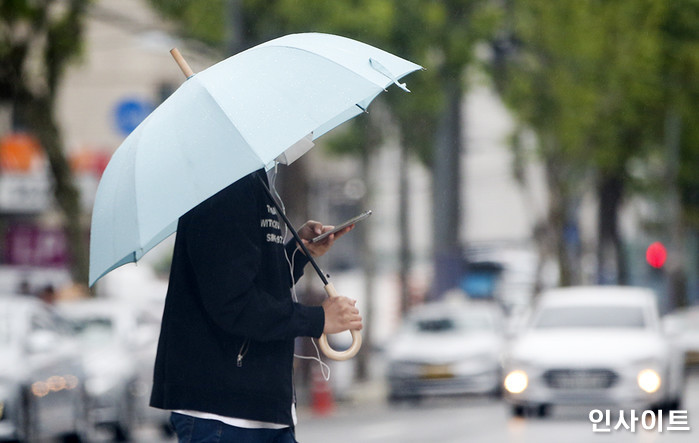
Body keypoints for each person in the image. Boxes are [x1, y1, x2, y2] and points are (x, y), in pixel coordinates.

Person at [150, 168, 362, 442]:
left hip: (262, 411)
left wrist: (298, 254)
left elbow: (252, 282)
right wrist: (317, 319)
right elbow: (234, 303)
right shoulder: (223, 187)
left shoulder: (254, 180)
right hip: (222, 415)